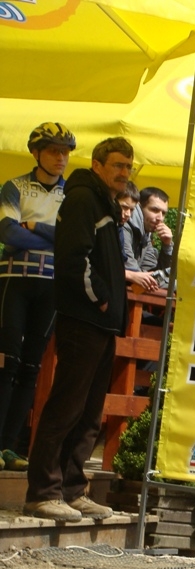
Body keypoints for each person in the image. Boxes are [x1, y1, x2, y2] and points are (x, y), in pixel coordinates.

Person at [23, 137, 132, 521]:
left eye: (128, 166)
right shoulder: (84, 198)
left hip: (102, 324)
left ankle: (71, 490)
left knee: (88, 413)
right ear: (97, 165)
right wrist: (101, 299)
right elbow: (74, 259)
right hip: (83, 319)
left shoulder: (105, 204)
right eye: (117, 165)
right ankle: (43, 492)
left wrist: (110, 309)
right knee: (65, 407)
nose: (124, 173)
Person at [0, 123, 76, 472]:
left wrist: (33, 226)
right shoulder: (14, 187)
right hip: (13, 280)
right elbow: (8, 234)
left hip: (51, 284)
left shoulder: (72, 195)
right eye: (53, 150)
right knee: (7, 362)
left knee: (32, 366)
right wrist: (53, 237)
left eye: (66, 152)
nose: (61, 158)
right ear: (36, 152)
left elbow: (73, 239)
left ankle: (9, 446)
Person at [121, 186, 172, 289]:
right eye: (155, 210)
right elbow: (132, 271)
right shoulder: (123, 227)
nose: (160, 218)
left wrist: (167, 246)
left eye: (163, 213)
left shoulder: (146, 235)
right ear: (138, 207)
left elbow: (154, 274)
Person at [115, 183, 159, 293]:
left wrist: (167, 246)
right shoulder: (120, 228)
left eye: (131, 210)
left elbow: (151, 270)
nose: (128, 214)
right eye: (124, 207)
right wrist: (131, 275)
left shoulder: (145, 235)